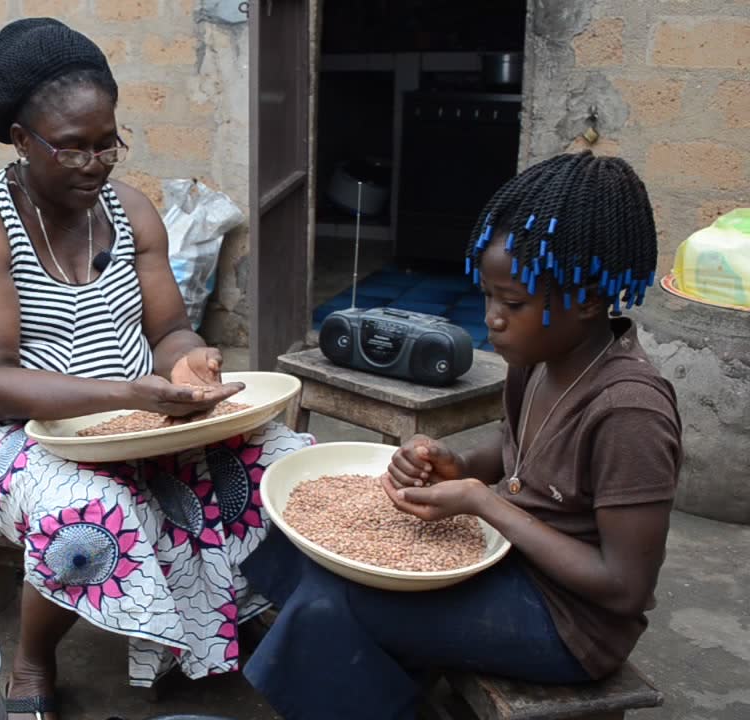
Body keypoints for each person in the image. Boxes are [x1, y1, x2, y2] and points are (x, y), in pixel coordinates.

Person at [0, 18, 313, 719]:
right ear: (19, 139)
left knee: (281, 458)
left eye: (107, 142)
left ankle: (233, 606)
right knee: (92, 506)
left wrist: (190, 362)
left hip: (137, 419)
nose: (95, 163)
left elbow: (167, 328)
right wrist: (127, 395)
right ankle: (33, 657)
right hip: (7, 435)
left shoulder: (131, 212)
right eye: (72, 148)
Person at [240, 151, 682, 720]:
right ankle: (384, 685)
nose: (492, 318)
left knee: (332, 604)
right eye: (489, 296)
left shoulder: (630, 412)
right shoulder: (539, 360)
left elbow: (624, 587)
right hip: (514, 565)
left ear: (589, 299)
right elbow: (522, 453)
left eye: (514, 303)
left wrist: (483, 503)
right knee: (297, 551)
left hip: (571, 623)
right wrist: (460, 464)